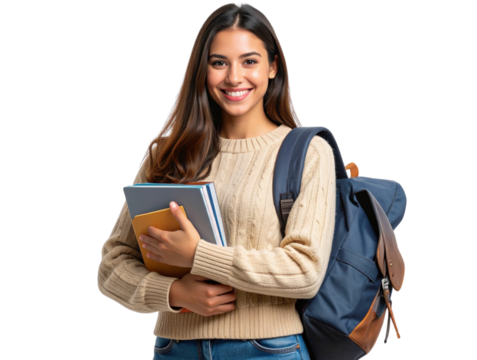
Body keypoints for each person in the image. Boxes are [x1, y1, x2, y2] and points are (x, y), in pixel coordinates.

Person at [96, 2, 336, 359]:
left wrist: (198, 255)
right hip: (173, 349)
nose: (234, 77)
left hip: (268, 350)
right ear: (202, 70)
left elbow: (305, 271)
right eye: (218, 62)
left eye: (249, 61)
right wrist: (175, 293)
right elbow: (110, 266)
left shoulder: (308, 152)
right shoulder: (167, 153)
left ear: (273, 67)